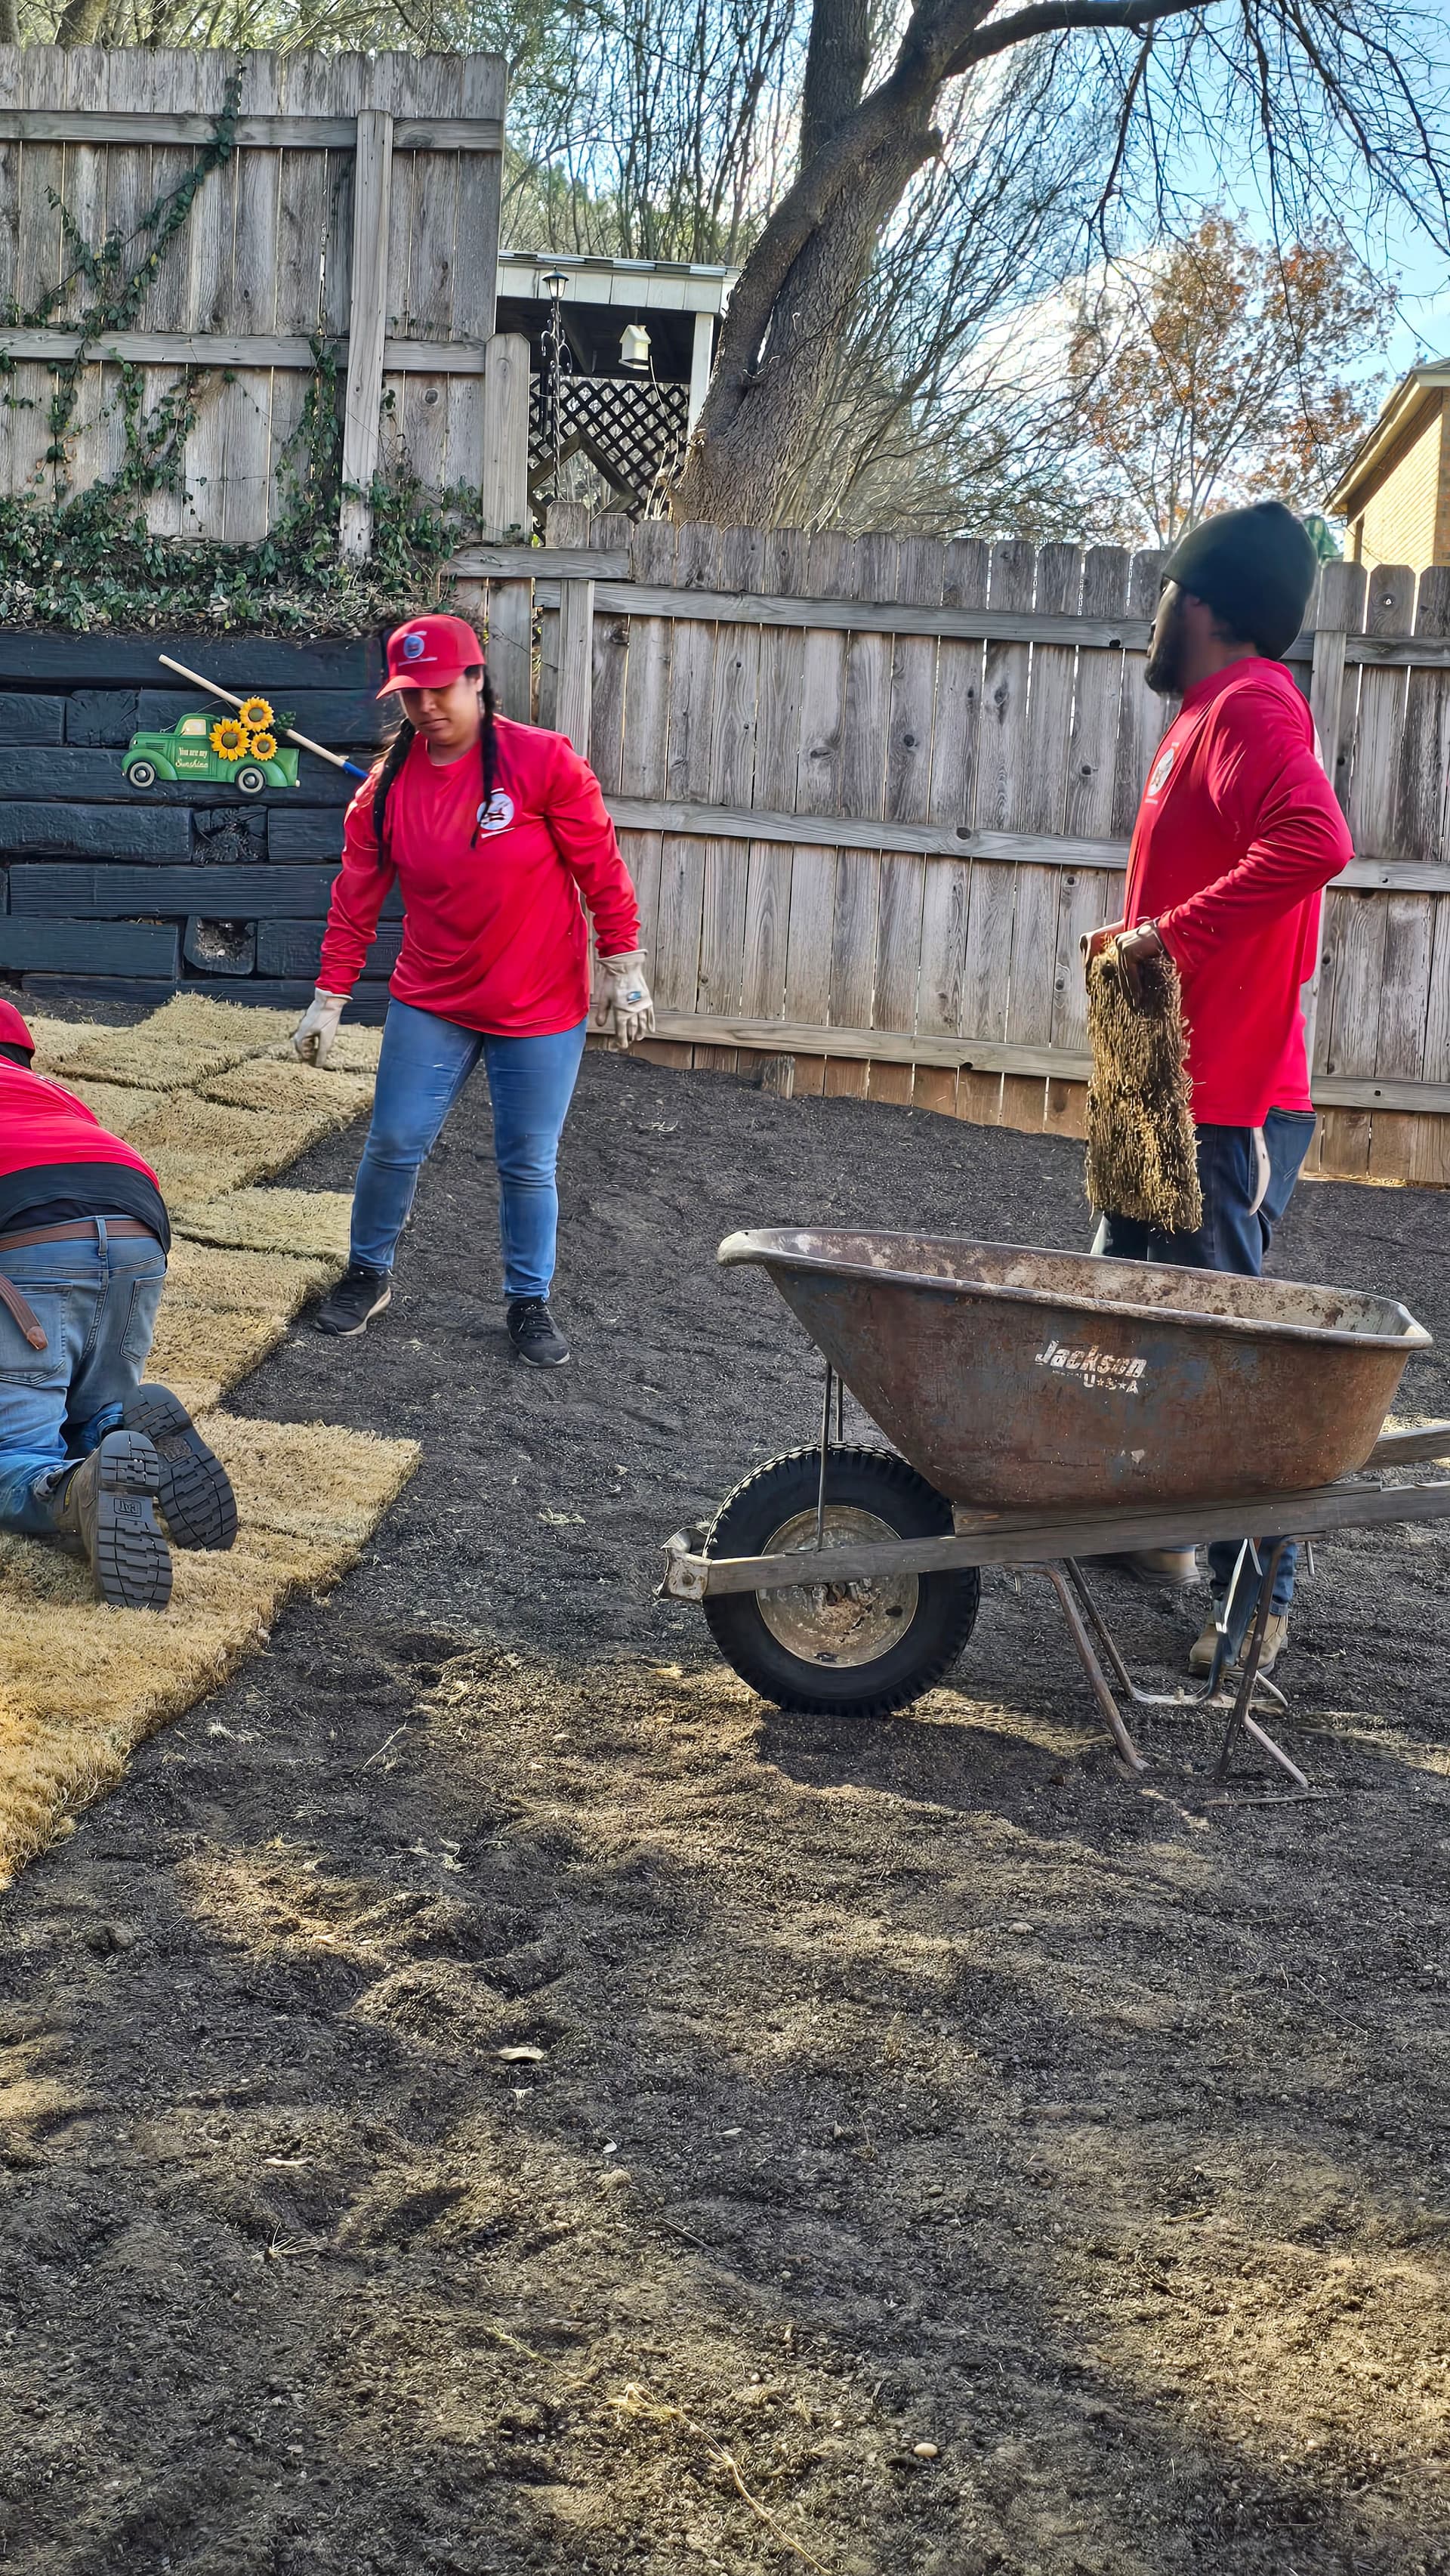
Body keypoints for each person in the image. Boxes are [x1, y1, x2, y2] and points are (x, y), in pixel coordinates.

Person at [1084, 501, 1352, 1675]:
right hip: (1161, 1078)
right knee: (1119, 1313)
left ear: (1201, 602)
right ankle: (1161, 1541)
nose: (1153, 609)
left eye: (1164, 589)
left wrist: (1165, 941)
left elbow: (1313, 840)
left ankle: (1260, 1604)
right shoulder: (1198, 717)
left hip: (1224, 1102)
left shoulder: (1250, 705)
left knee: (1222, 1348)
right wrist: (1141, 945)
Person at [292, 613, 652, 1368]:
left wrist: (624, 966)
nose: (426, 707)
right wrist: (329, 996)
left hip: (540, 1003)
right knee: (393, 1140)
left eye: (439, 689)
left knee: (527, 1159)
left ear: (477, 680)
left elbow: (600, 868)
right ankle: (367, 1272)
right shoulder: (385, 794)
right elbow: (354, 901)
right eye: (410, 694)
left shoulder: (543, 762)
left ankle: (529, 1301)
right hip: (435, 999)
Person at [0, 996, 236, 1608]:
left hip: (26, 1231)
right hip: (134, 1217)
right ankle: (124, 1427)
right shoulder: (49, 1092)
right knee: (90, 1397)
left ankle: (73, 1489)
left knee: (14, 1452)